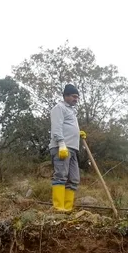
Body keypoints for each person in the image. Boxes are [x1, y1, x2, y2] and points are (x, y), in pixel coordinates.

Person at [49, 83, 86, 212]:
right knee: (61, 175)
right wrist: (61, 144)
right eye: (73, 96)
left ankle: (68, 208)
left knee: (74, 179)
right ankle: (58, 208)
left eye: (77, 97)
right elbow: (56, 127)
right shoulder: (59, 108)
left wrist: (78, 132)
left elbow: (68, 126)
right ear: (65, 96)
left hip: (73, 148)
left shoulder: (72, 110)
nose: (76, 99)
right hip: (62, 147)